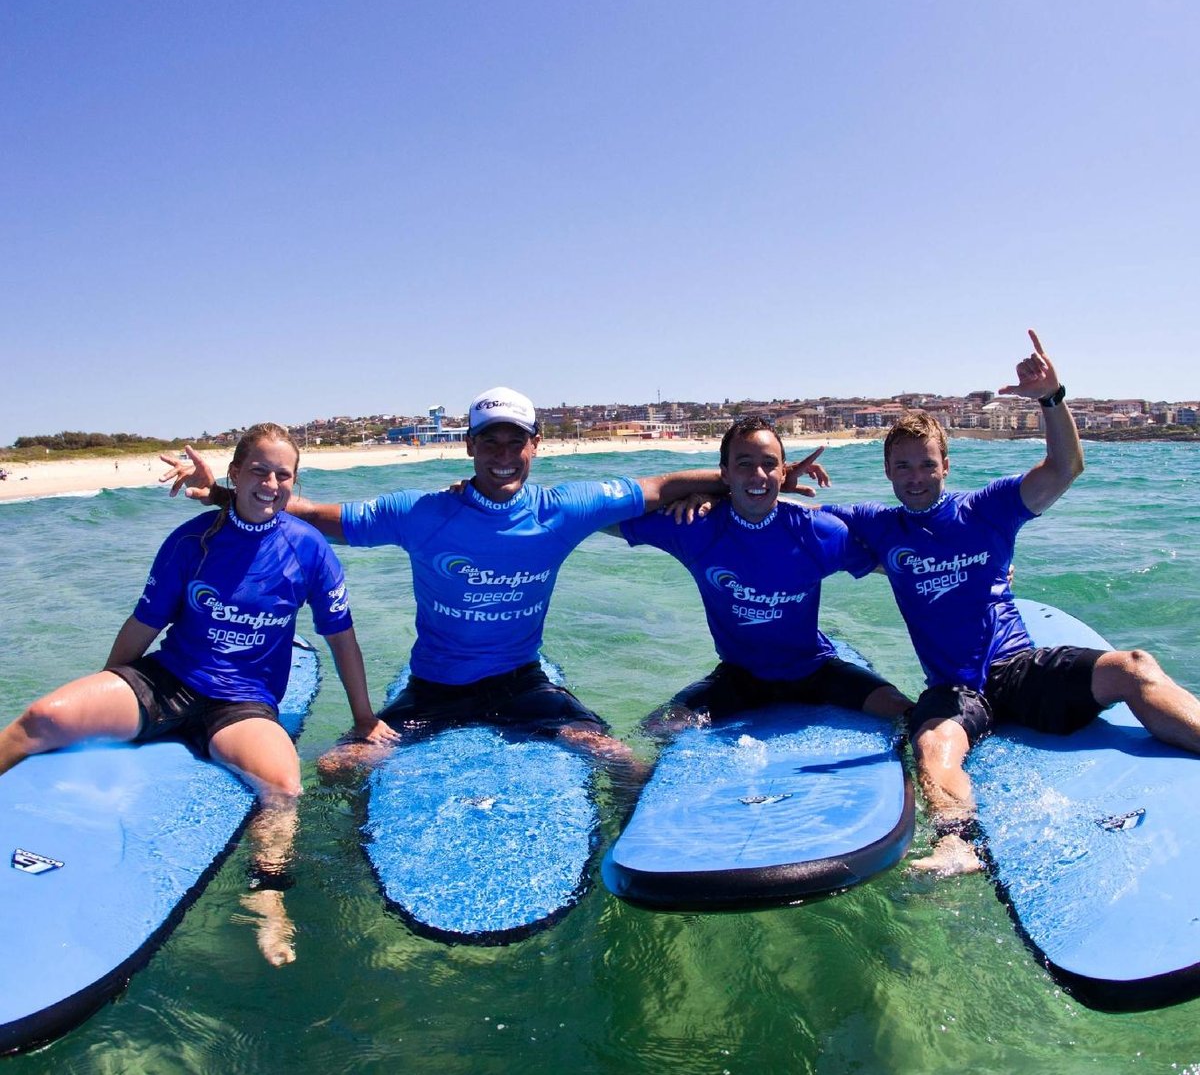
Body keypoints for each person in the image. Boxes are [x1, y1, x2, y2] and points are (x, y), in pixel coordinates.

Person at [164, 389, 759, 781]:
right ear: (469, 446)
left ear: (535, 446)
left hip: (522, 684)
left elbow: (663, 485)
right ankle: (343, 874)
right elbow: (318, 517)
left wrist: (743, 483)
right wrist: (226, 491)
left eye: (515, 440)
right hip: (436, 689)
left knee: (621, 761)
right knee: (339, 768)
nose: (504, 454)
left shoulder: (565, 507)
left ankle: (624, 863)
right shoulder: (425, 511)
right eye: (489, 441)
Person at [0, 423, 394, 964]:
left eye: (284, 474)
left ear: (294, 482)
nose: (271, 483)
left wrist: (365, 716)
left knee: (283, 786)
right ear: (234, 474)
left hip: (242, 702)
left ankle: (268, 895)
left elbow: (342, 638)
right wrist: (111, 690)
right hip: (167, 681)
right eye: (259, 470)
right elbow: (144, 623)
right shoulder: (193, 540)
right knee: (43, 717)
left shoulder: (309, 549)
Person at [826, 331, 1200, 876]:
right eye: (902, 467)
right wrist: (758, 482)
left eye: (925, 465)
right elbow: (789, 524)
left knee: (1135, 667)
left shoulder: (986, 510)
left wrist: (1051, 398)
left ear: (945, 465)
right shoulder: (878, 526)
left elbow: (1064, 467)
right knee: (932, 740)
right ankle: (957, 845)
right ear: (888, 473)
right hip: (955, 690)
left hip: (1017, 668)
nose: (914, 477)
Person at [617, 416, 911, 733]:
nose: (758, 473)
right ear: (724, 473)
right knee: (656, 728)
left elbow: (898, 566)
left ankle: (912, 782)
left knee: (903, 710)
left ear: (783, 472)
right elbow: (607, 511)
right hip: (741, 677)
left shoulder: (816, 531)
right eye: (744, 464)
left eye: (769, 464)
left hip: (813, 672)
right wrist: (708, 490)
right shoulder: (697, 527)